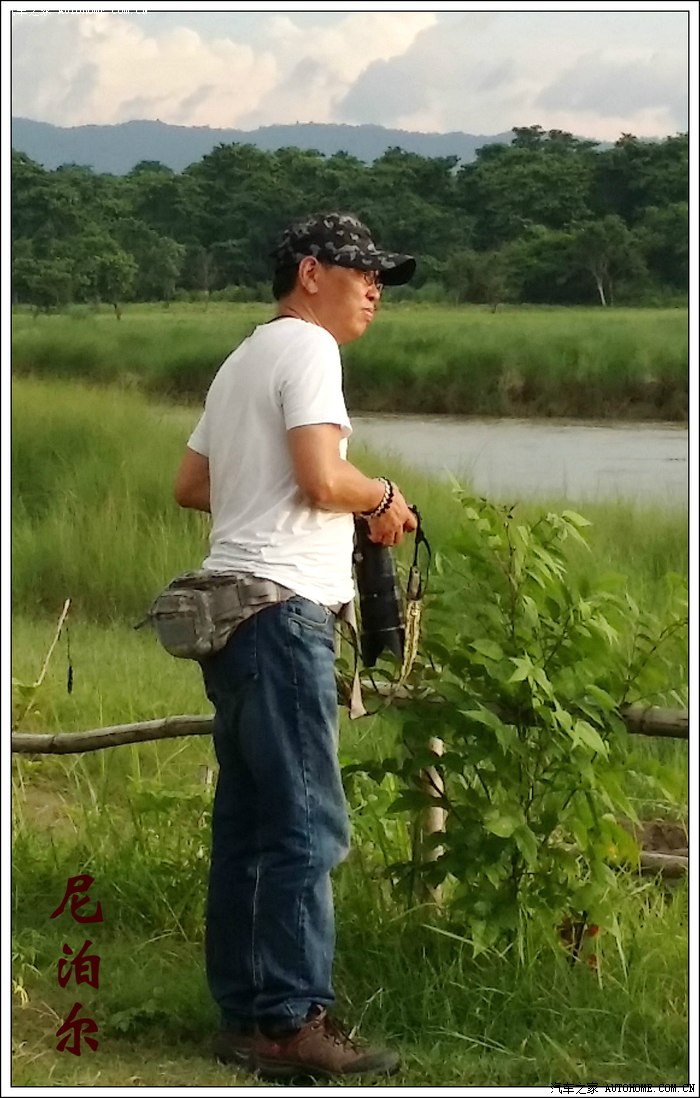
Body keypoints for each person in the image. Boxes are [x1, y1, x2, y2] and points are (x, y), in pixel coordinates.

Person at [174, 212, 417, 1080]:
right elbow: (322, 477)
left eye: (382, 277)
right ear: (311, 273)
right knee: (308, 822)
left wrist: (267, 499)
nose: (376, 288)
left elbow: (192, 484)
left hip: (230, 614)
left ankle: (248, 1016)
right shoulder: (310, 348)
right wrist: (380, 495)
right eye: (362, 271)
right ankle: (292, 1021)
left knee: (250, 821)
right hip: (283, 614)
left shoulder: (244, 357)